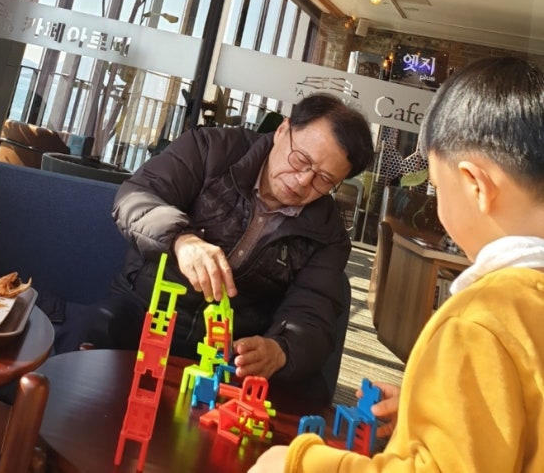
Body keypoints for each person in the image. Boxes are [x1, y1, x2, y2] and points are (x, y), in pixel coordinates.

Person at [249, 56, 544, 473]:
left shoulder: (478, 324)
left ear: (475, 185)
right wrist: (437, 403)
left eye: (437, 187)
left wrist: (298, 464)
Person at [63, 93, 374, 396]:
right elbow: (136, 196)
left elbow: (313, 311)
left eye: (324, 179)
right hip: (144, 311)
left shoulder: (328, 233)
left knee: (305, 396)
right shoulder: (210, 149)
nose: (303, 181)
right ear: (283, 130)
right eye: (301, 160)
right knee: (87, 336)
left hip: (232, 347)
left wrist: (280, 349)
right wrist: (181, 239)